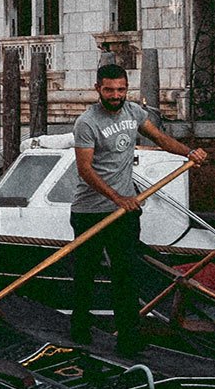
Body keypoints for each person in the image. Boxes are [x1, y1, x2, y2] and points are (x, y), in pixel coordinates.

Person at [68, 63, 206, 356]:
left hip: (125, 211)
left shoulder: (134, 113)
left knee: (126, 275)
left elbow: (160, 138)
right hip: (90, 211)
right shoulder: (87, 122)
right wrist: (118, 197)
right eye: (109, 89)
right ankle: (79, 329)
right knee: (85, 272)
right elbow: (85, 170)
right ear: (98, 89)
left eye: (121, 89)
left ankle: (128, 339)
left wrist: (189, 152)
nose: (116, 95)